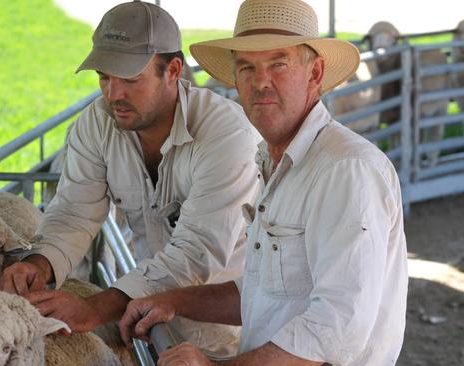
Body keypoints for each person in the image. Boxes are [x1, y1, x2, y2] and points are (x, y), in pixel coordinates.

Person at [118, 0, 409, 365]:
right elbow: (263, 292)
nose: (260, 83)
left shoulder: (346, 170)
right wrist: (171, 301)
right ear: (234, 80)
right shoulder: (276, 163)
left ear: (315, 73)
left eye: (278, 64)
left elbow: (335, 329)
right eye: (246, 67)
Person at [0, 0, 261, 360]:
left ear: (172, 71)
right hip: (154, 328)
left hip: (239, 339)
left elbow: (196, 253)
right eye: (104, 77)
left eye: (130, 79)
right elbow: (75, 210)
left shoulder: (227, 135)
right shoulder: (98, 122)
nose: (112, 94)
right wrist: (40, 263)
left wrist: (95, 308)